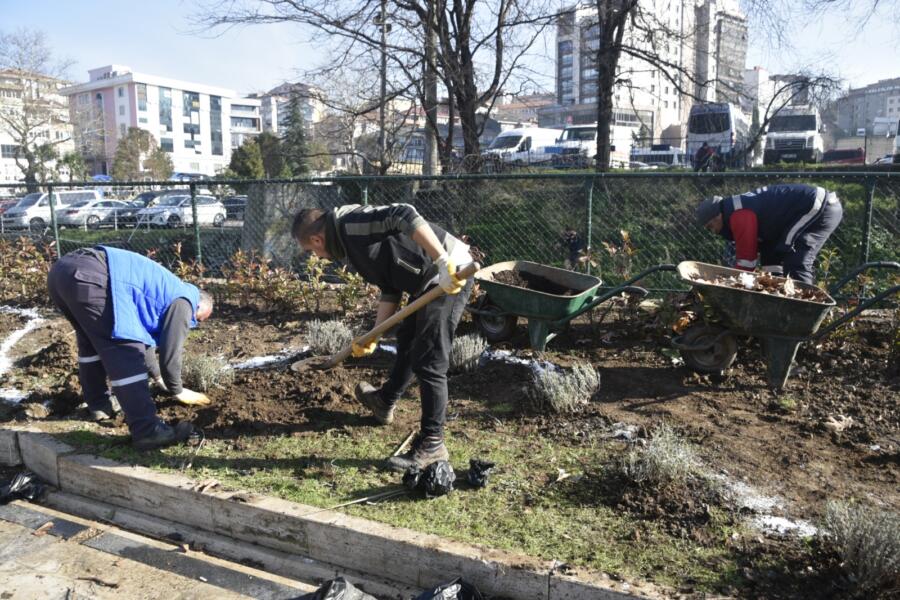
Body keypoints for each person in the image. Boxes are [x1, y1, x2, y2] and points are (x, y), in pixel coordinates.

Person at [292, 204, 474, 471]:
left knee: (430, 360)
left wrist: (441, 261)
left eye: (312, 251)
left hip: (452, 271)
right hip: (427, 280)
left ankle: (433, 445)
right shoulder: (348, 245)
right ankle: (384, 401)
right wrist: (374, 334)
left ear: (317, 239)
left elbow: (405, 213)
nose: (316, 257)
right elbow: (390, 285)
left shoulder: (350, 224)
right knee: (408, 342)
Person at [47, 246, 213, 451]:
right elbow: (171, 349)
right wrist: (176, 389)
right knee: (126, 350)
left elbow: (147, 345)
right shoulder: (185, 300)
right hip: (93, 276)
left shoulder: (163, 291)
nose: (193, 323)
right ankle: (147, 430)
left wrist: (159, 378)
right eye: (197, 320)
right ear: (199, 305)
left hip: (62, 272)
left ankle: (100, 405)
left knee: (91, 344)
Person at [694, 184, 843, 285]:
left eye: (711, 226)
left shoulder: (738, 214)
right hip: (814, 207)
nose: (713, 231)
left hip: (819, 208)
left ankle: (805, 311)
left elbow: (747, 260)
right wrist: (771, 282)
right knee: (771, 262)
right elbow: (768, 247)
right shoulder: (736, 209)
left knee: (796, 260)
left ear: (718, 216)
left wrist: (732, 284)